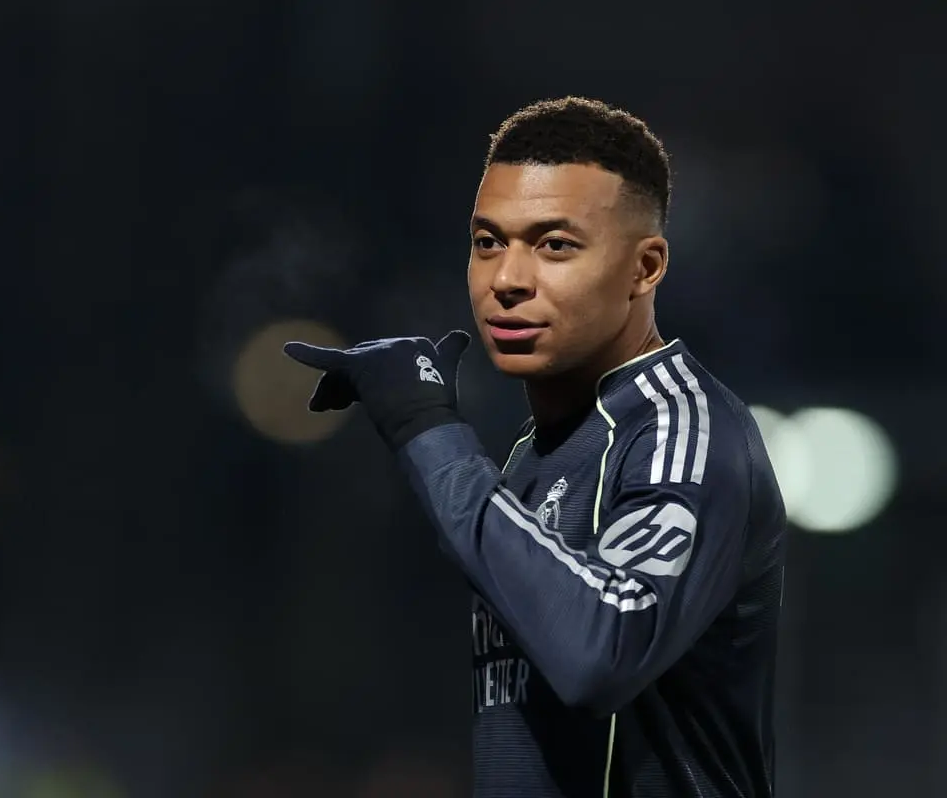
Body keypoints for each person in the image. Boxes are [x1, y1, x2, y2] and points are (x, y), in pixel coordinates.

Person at [283, 96, 786, 797]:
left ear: (645, 268)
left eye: (554, 245)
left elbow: (602, 652)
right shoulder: (534, 457)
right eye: (489, 241)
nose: (508, 280)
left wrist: (430, 433)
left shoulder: (681, 431)